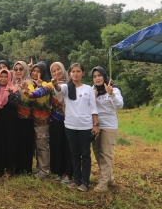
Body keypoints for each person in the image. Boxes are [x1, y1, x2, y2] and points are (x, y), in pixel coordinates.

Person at [53, 63, 99, 192]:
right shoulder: (67, 88)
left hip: (85, 126)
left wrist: (96, 125)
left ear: (83, 73)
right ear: (70, 73)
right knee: (74, 154)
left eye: (78, 71)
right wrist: (54, 83)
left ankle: (85, 181)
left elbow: (93, 107)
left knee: (85, 154)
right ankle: (76, 179)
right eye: (73, 71)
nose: (75, 73)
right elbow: (58, 88)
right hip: (70, 125)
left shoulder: (88, 89)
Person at [91, 66, 123, 193]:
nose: (97, 78)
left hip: (109, 126)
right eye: (94, 76)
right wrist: (91, 97)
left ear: (104, 76)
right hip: (95, 125)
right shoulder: (92, 90)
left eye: (99, 75)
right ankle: (109, 178)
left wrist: (111, 94)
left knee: (106, 154)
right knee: (98, 152)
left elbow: (120, 105)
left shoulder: (113, 89)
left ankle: (103, 183)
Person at [23, 61, 53, 179]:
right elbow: (29, 99)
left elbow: (41, 100)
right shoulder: (30, 83)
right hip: (33, 120)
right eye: (34, 71)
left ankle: (44, 171)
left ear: (43, 72)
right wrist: (26, 91)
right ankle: (40, 168)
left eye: (38, 71)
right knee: (37, 145)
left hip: (43, 121)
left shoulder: (47, 84)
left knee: (42, 145)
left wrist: (40, 86)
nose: (35, 73)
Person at [0, 69, 20, 177]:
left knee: (9, 143)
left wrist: (11, 94)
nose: (3, 79)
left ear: (9, 78)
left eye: (5, 77)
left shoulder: (14, 89)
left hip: (11, 122)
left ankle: (9, 169)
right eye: (1, 76)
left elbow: (16, 103)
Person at [46, 62, 72, 183]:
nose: (57, 72)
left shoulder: (71, 83)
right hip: (55, 119)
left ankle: (68, 173)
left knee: (68, 146)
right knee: (57, 145)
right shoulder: (50, 86)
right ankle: (59, 172)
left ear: (63, 69)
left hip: (70, 119)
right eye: (53, 71)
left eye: (58, 69)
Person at [11, 60, 34, 175]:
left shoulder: (30, 82)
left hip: (27, 118)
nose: (18, 71)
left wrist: (25, 90)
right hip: (15, 118)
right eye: (16, 69)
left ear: (26, 70)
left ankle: (26, 168)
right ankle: (17, 167)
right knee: (17, 143)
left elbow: (31, 98)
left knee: (26, 143)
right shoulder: (12, 83)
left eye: (21, 69)